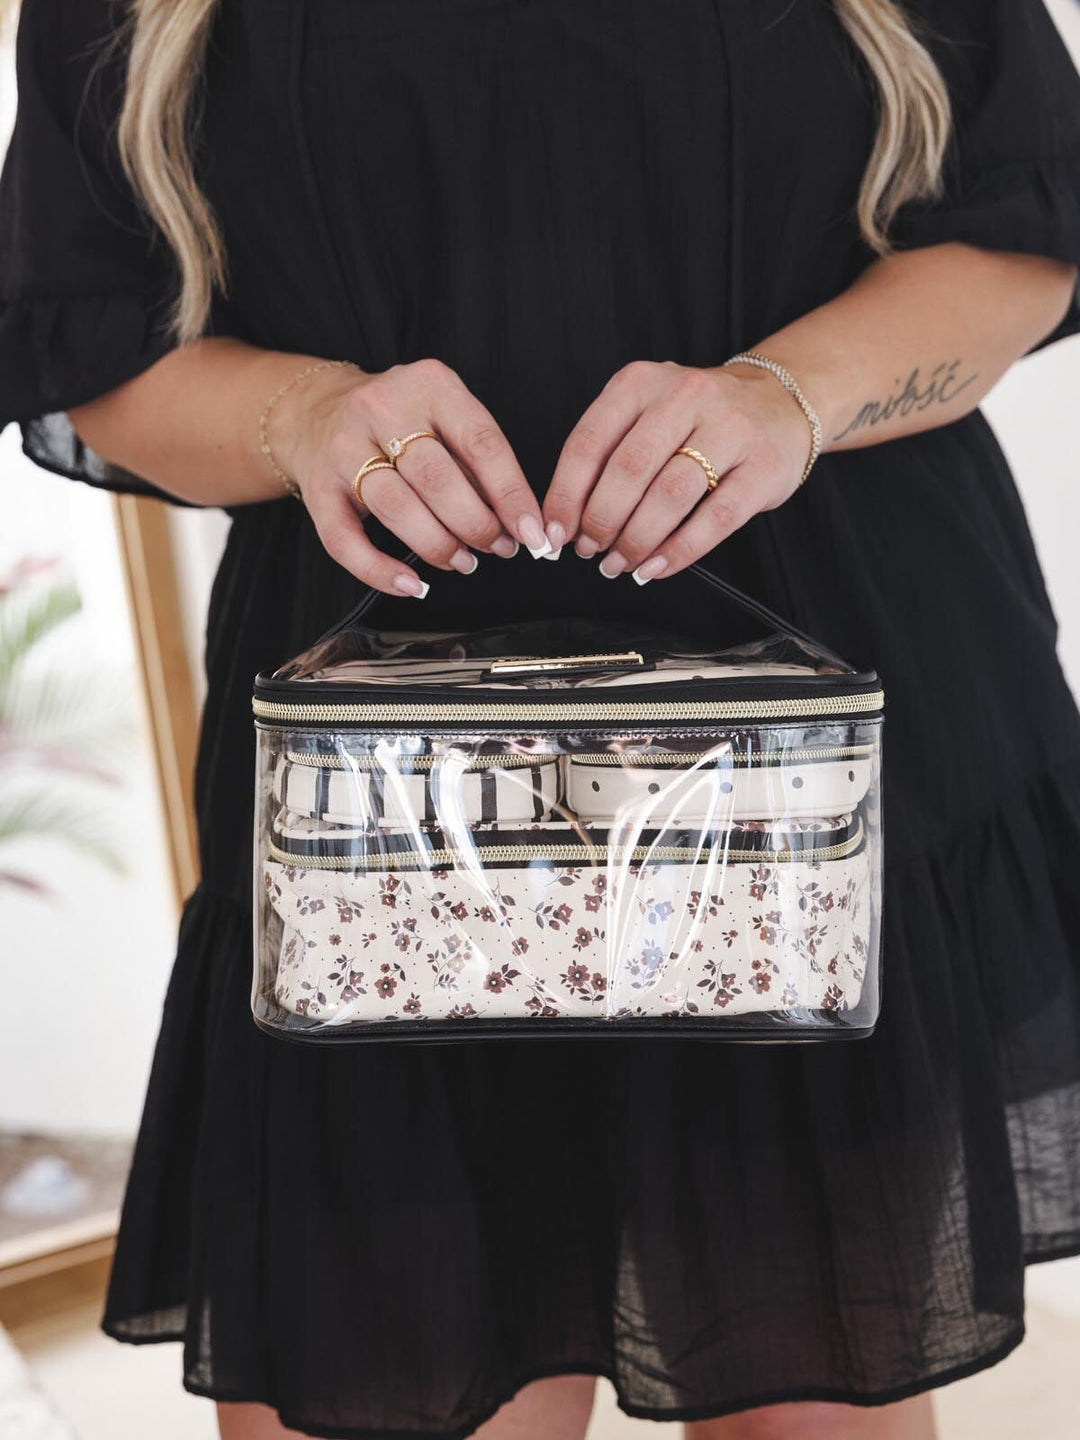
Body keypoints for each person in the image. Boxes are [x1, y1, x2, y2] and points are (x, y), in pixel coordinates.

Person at [3, 1, 1080, 1436]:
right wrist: (304, 418)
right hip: (374, 819)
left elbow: (1025, 220)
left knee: (810, 1402)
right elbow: (88, 334)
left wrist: (788, 397)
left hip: (819, 759)